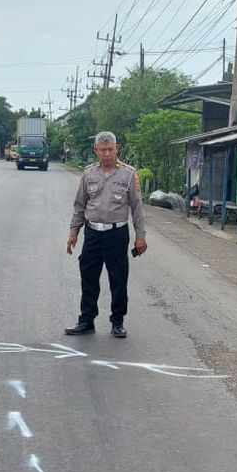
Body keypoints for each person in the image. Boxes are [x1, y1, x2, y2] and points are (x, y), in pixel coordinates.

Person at [65, 131, 147, 338]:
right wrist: (74, 232)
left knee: (118, 279)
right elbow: (79, 206)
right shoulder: (88, 174)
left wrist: (140, 236)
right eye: (103, 150)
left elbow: (137, 208)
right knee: (88, 277)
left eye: (111, 149)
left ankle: (117, 321)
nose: (108, 153)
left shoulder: (129, 174)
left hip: (117, 234)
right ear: (96, 151)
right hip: (93, 233)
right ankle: (86, 320)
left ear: (116, 148)